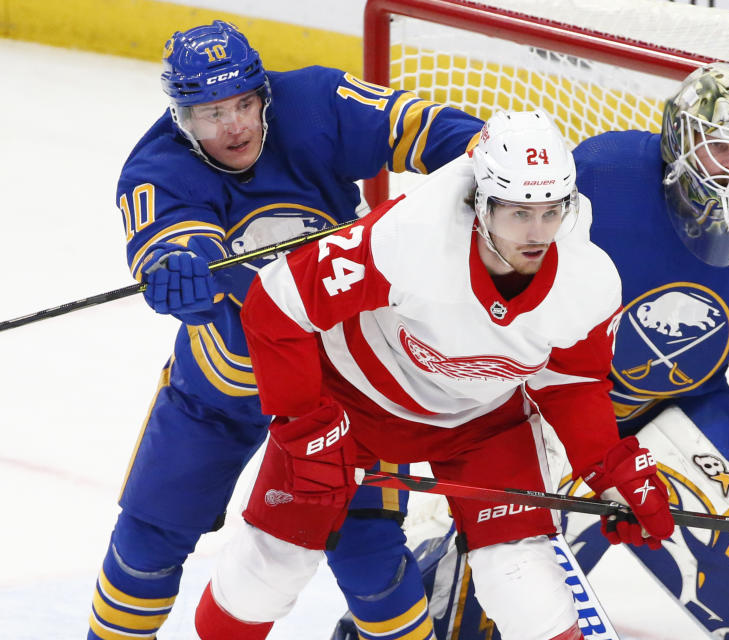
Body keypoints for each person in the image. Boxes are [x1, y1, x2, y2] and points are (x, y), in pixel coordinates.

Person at [362, 63, 729, 640]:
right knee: (489, 605)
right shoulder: (602, 178)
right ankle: (410, 610)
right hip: (561, 412)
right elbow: (503, 284)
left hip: (690, 402)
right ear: (678, 138)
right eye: (720, 147)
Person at [190, 109, 675, 640]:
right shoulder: (410, 235)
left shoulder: (589, 278)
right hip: (353, 401)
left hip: (483, 421)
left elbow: (571, 382)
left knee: (524, 583)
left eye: (551, 210)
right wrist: (305, 427)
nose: (538, 234)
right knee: (268, 568)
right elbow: (276, 303)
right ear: (481, 204)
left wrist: (608, 470)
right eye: (517, 213)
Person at [86, 20, 485, 640]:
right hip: (226, 381)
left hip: (344, 382)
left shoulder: (313, 104)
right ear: (180, 116)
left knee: (370, 555)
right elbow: (171, 239)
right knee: (146, 543)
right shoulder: (157, 168)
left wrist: (489, 158)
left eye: (245, 103)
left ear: (264, 92)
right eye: (213, 113)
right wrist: (178, 273)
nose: (236, 125)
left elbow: (418, 125)